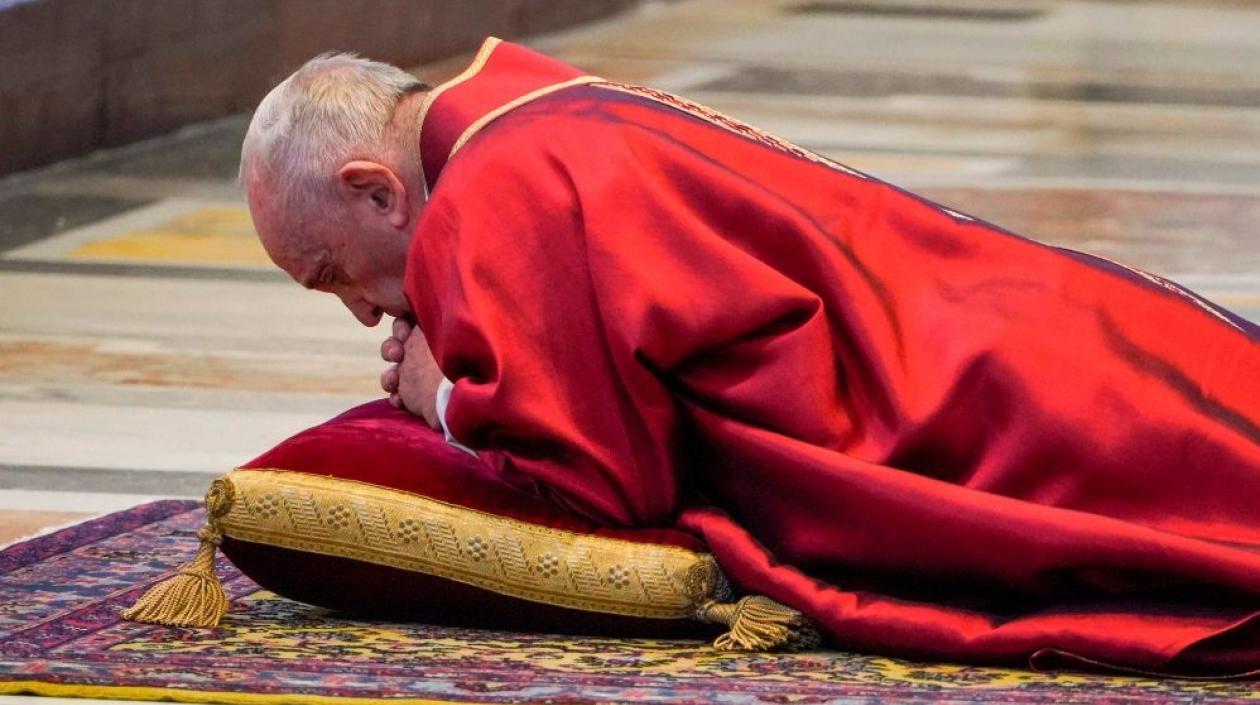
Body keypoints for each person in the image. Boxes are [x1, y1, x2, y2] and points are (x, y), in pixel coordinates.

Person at [239, 39, 1260, 676]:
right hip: (1000, 314)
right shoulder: (536, 105)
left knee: (1209, 495)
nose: (360, 313)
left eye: (332, 274)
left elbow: (603, 481)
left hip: (955, 401)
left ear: (377, 189)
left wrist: (444, 399)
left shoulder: (497, 194)